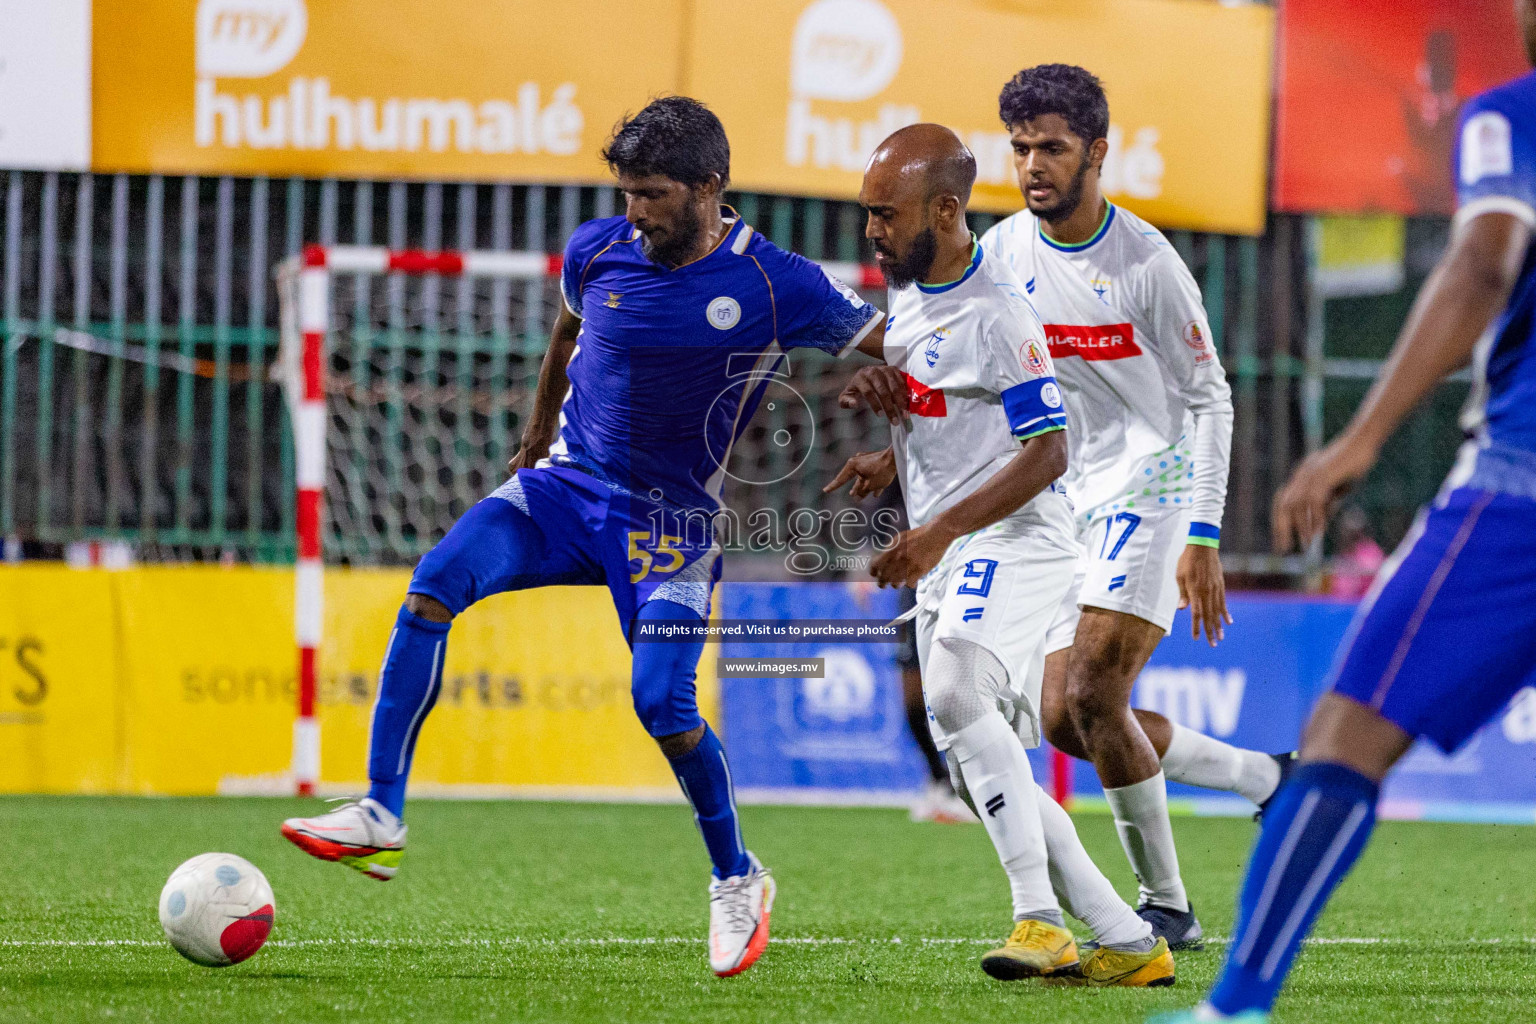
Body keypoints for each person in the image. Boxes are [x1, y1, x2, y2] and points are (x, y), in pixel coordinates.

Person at [278, 96, 886, 978]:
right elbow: (567, 333)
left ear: (710, 188)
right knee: (432, 585)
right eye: (626, 192)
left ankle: (737, 877)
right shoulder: (597, 249)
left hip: (672, 524)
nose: (634, 212)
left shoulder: (776, 281)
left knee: (661, 705)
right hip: (565, 491)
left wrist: (907, 418)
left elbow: (897, 347)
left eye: (653, 195)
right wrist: (536, 434)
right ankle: (381, 810)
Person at [1156, 6, 1536, 1021]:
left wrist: (1359, 439)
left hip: (1519, 501)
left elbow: (1482, 262)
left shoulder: (1510, 118)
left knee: (1340, 743)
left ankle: (1232, 1007)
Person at [827, 123, 1173, 986]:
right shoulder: (911, 300)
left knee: (952, 690)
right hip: (949, 542)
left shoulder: (999, 309)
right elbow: (955, 418)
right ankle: (1127, 940)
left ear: (944, 210)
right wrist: (893, 443)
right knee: (971, 741)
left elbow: (1047, 449)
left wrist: (940, 528)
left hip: (1015, 537)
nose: (871, 230)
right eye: (866, 213)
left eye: (884, 214)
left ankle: (1038, 919)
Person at [978, 64, 1292, 950]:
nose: (1034, 165)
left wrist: (1202, 531)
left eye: (1053, 148)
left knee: (1093, 690)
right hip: (1066, 496)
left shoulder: (1148, 264)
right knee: (1063, 718)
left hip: (1151, 490)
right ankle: (1266, 778)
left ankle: (1168, 906)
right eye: (1022, 148)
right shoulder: (1004, 253)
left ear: (1098, 153)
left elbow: (1211, 399)